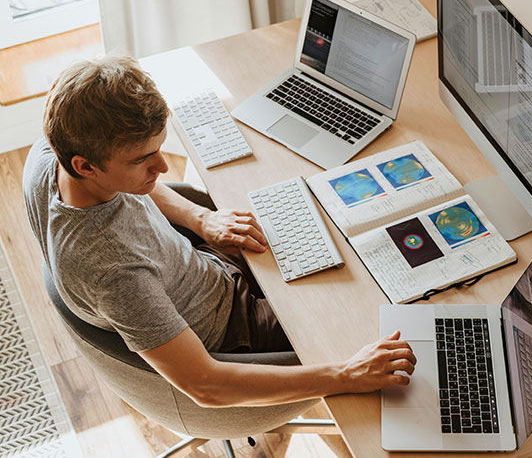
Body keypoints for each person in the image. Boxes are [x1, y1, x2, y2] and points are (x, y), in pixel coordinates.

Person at [23, 54, 415, 407]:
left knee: (338, 235)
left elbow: (136, 178)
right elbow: (206, 385)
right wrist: (344, 376)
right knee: (382, 322)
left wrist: (200, 220)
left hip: (205, 269)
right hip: (234, 332)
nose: (161, 168)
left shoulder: (52, 154)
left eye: (160, 148)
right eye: (143, 159)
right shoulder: (113, 273)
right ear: (85, 166)